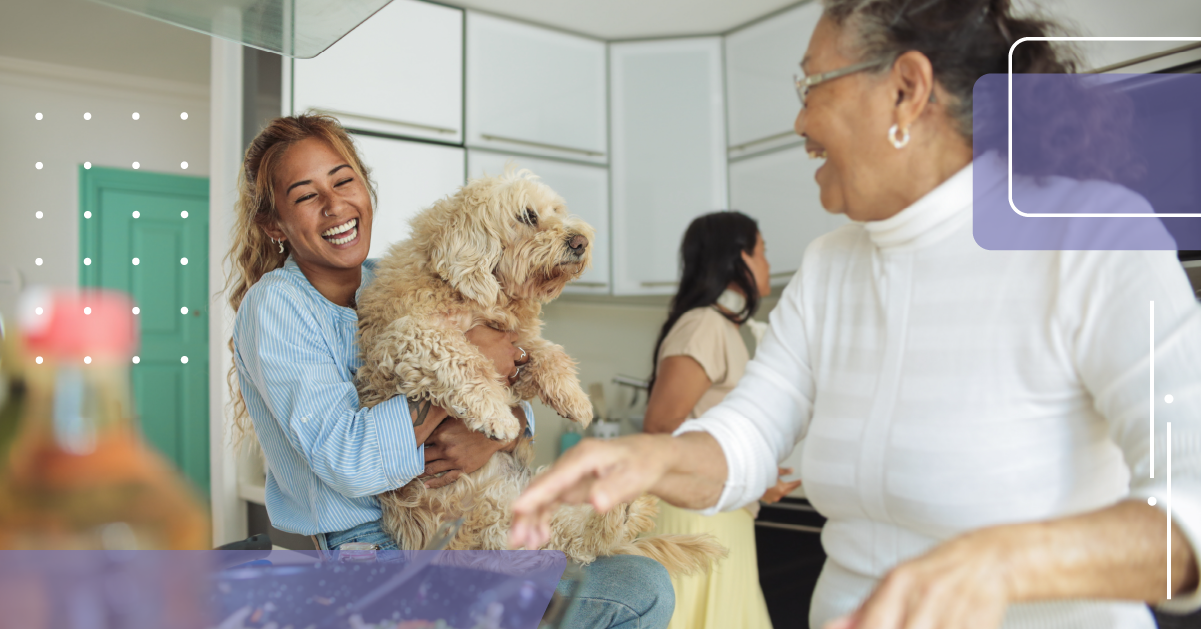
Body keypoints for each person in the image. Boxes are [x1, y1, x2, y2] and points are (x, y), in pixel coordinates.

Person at [510, 2, 1201, 628]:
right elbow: (748, 436)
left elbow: (1188, 506)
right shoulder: (831, 264)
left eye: (812, 85)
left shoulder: (1094, 239)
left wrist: (999, 561)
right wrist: (646, 456)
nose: (799, 121)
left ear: (905, 88)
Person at [226, 114, 675, 628]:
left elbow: (506, 387)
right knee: (636, 590)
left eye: (344, 180)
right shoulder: (278, 306)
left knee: (636, 574)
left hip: (459, 521)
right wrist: (468, 382)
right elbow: (348, 459)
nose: (334, 205)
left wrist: (498, 436)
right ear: (273, 223)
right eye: (306, 195)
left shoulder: (388, 279)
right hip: (366, 555)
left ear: (366, 188)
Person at [643, 210, 801, 629]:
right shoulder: (705, 325)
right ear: (738, 260)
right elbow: (660, 428)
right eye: (763, 252)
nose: (768, 263)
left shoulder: (726, 329)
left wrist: (756, 477)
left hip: (719, 510)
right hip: (697, 517)